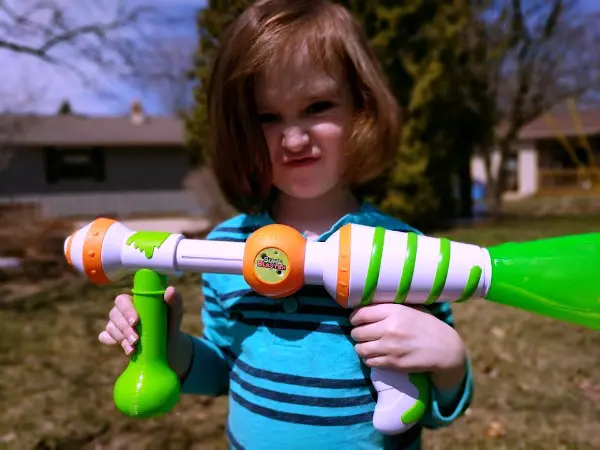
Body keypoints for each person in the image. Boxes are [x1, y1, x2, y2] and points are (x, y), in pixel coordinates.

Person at [98, 1, 473, 448]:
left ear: (361, 109)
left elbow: (432, 411)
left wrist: (450, 362)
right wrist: (166, 344)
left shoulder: (403, 250)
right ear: (240, 129)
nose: (294, 139)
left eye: (317, 106)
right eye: (267, 117)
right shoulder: (225, 246)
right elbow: (222, 370)